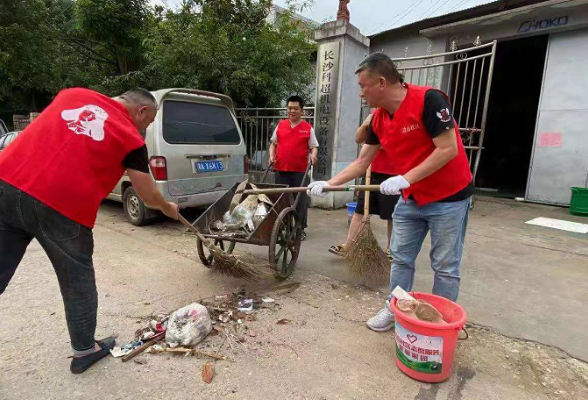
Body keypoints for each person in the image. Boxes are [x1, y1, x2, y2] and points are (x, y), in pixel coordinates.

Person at [0, 87, 179, 373]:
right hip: (61, 207)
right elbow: (145, 193)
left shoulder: (72, 94)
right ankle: (84, 351)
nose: (146, 127)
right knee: (77, 279)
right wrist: (167, 207)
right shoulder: (130, 138)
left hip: (6, 182)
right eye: (149, 121)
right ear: (141, 110)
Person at [308, 53, 474, 332]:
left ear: (382, 82)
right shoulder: (378, 120)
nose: (361, 93)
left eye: (363, 86)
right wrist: (329, 183)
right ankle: (396, 307)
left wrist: (404, 179)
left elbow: (448, 149)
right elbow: (362, 162)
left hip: (449, 198)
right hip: (412, 199)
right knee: (401, 257)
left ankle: (442, 324)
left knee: (445, 264)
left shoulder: (429, 100)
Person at [328, 112, 399, 260]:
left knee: (392, 214)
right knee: (360, 210)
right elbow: (358, 139)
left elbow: (395, 145)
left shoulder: (398, 117)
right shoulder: (375, 117)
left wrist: (375, 145)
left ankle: (391, 249)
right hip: (371, 172)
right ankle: (349, 245)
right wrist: (366, 124)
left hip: (394, 174)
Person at [269, 95, 319, 241]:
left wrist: (313, 155)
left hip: (300, 171)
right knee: (281, 200)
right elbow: (273, 143)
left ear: (302, 111)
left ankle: (299, 228)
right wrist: (271, 156)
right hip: (281, 169)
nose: (292, 111)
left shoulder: (307, 128)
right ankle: (282, 226)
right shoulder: (281, 125)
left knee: (300, 201)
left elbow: (314, 147)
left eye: (296, 108)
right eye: (290, 108)